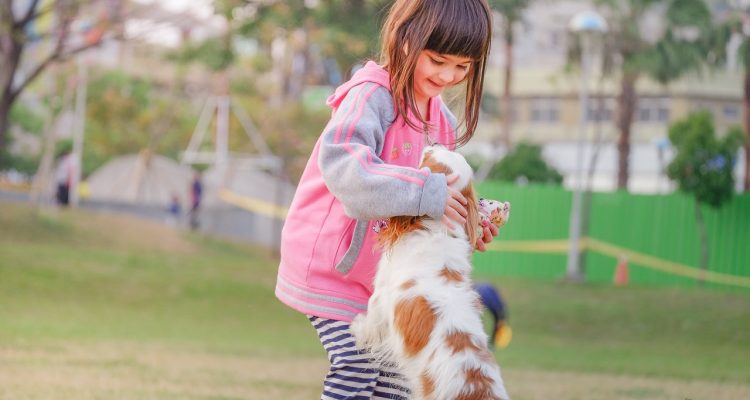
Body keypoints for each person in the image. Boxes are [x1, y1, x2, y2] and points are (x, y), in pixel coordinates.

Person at [274, 1, 496, 398]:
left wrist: (467, 220)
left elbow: (429, 201)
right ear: (405, 39)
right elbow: (347, 169)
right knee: (357, 364)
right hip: (334, 268)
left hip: (387, 278)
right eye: (438, 60)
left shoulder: (440, 120)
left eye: (462, 67)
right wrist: (430, 193)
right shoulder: (372, 96)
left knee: (398, 382)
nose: (448, 76)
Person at [473, 282, 512, 349]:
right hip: (483, 295)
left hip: (483, 293)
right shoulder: (494, 303)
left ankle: (490, 343)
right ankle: (488, 343)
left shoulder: (494, 303)